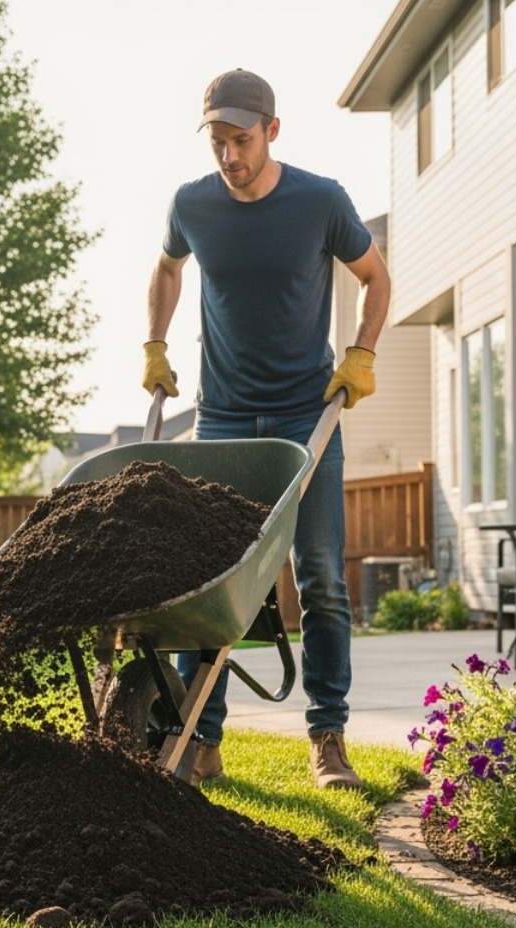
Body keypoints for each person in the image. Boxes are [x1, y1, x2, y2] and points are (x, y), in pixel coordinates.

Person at [143, 68, 390, 790]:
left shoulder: (320, 201)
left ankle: (327, 737)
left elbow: (376, 277)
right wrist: (154, 344)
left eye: (241, 140)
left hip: (305, 416)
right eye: (217, 142)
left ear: (272, 131)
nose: (229, 156)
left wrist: (362, 353)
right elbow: (166, 269)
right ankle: (200, 740)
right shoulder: (192, 204)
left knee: (321, 579)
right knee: (207, 585)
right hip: (221, 419)